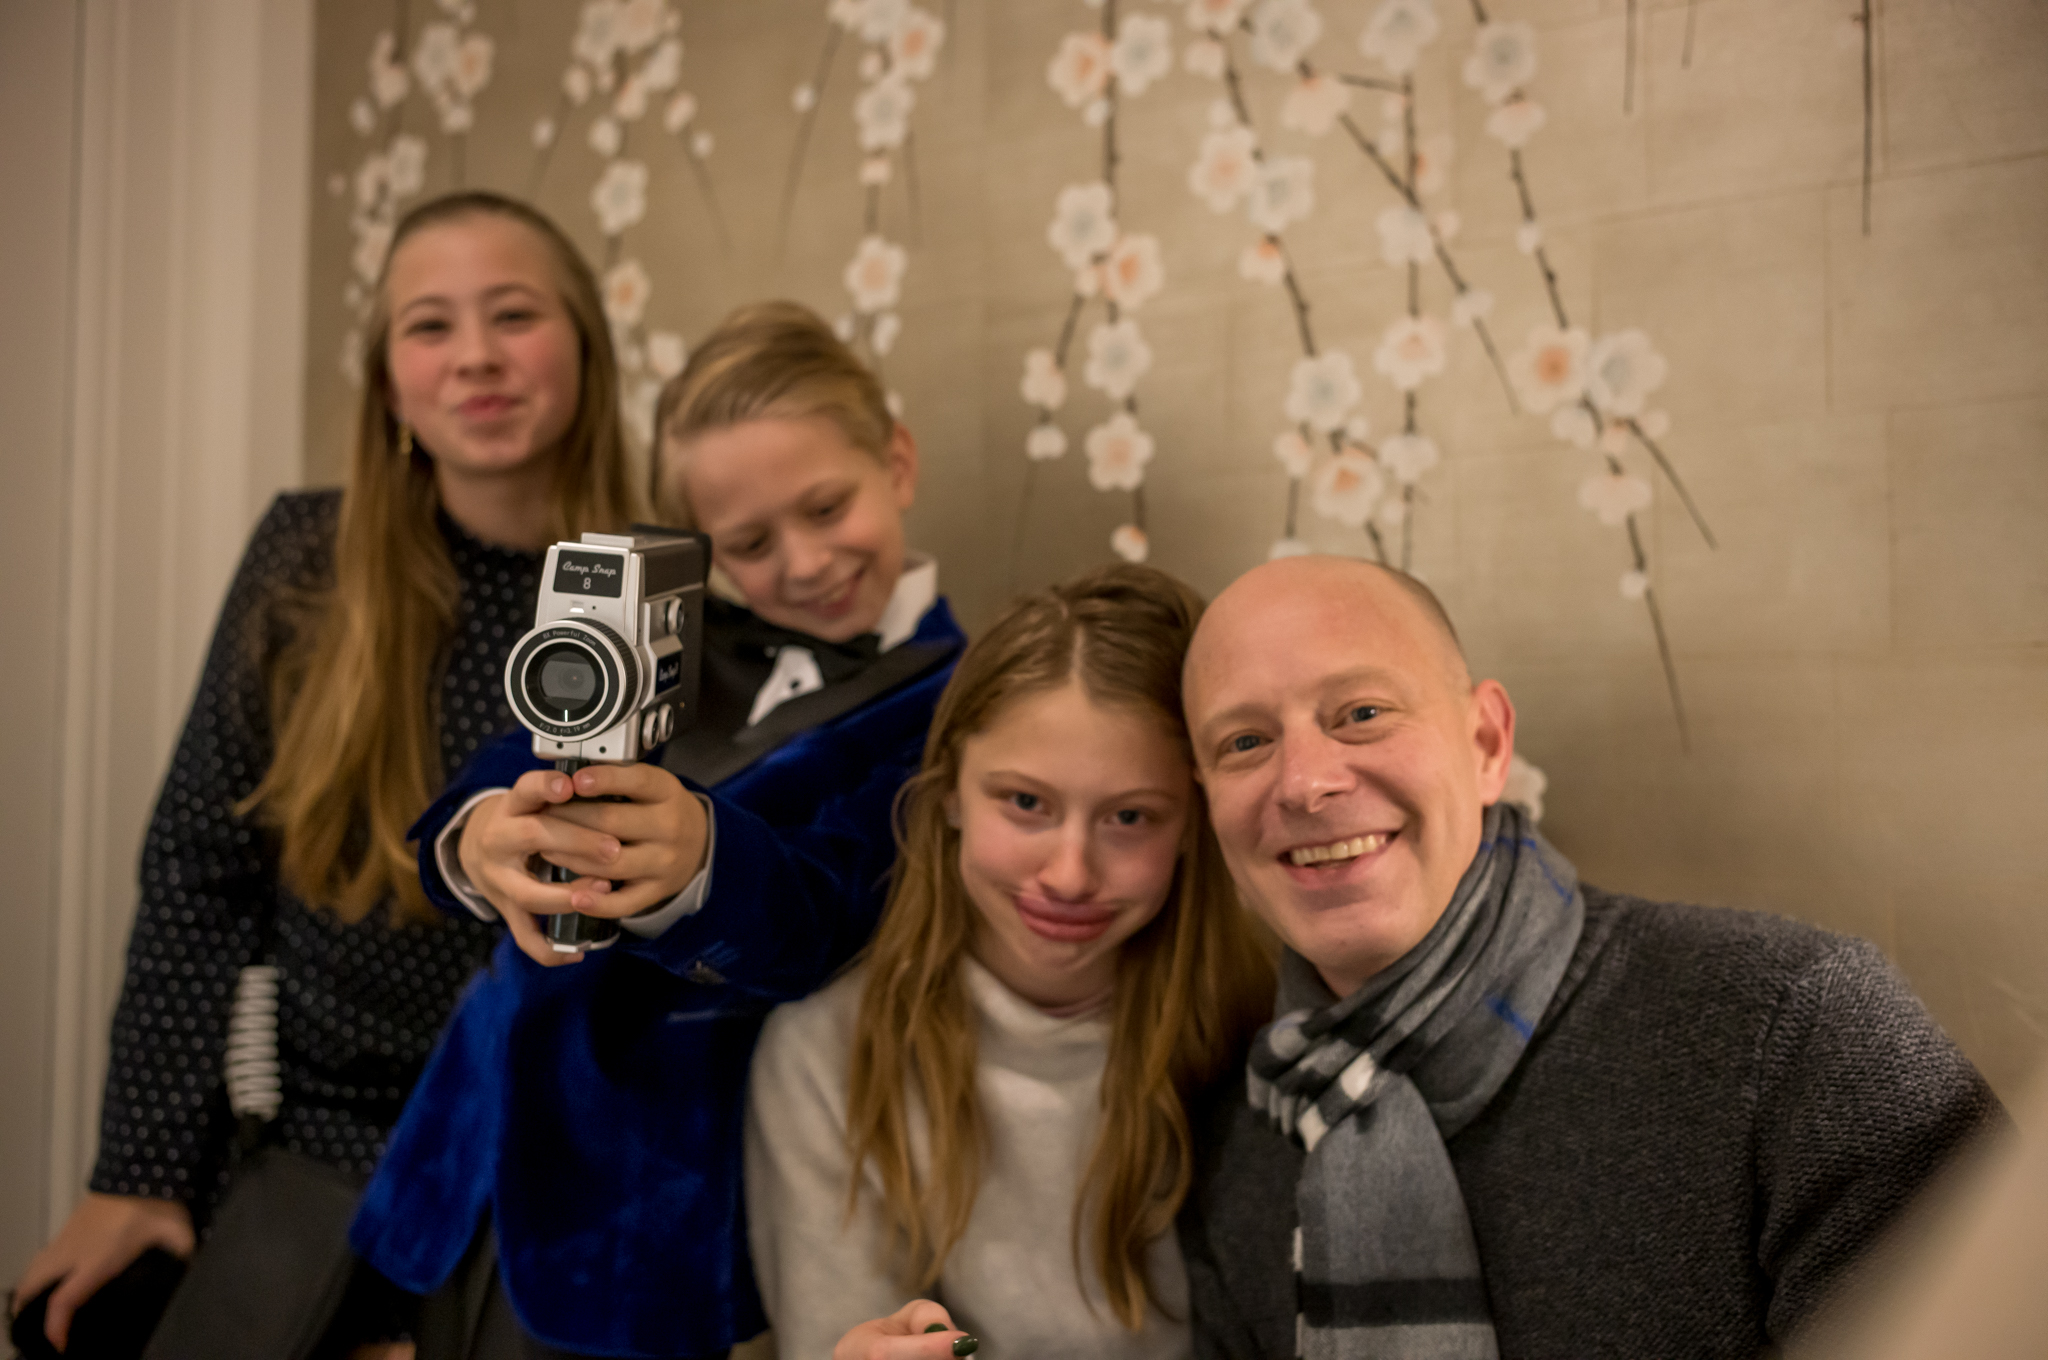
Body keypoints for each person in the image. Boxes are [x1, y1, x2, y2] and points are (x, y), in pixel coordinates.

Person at [8, 190, 638, 1357]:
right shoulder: (304, 559)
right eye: (429, 326)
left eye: (513, 314)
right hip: (320, 1133)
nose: (477, 356)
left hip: (546, 1142)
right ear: (388, 382)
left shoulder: (655, 593)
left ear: (586, 349)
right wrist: (137, 1172)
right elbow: (199, 870)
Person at [1172, 554, 2004, 1360]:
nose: (1304, 783)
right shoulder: (1230, 1149)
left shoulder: (1795, 1033)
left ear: (1486, 744)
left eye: (1361, 713)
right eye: (1244, 742)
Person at [348, 302, 966, 1360]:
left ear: (896, 463)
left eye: (826, 507)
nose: (804, 561)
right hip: (461, 1172)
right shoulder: (657, 635)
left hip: (648, 1211)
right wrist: (480, 836)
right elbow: (491, 780)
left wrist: (702, 864)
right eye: (751, 543)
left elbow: (830, 904)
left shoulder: (961, 705)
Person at [745, 565, 1275, 1360]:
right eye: (1026, 803)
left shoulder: (1259, 1023)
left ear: (1193, 824)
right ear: (951, 791)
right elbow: (837, 1335)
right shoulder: (827, 1054)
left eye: (1130, 816)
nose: (1069, 874)